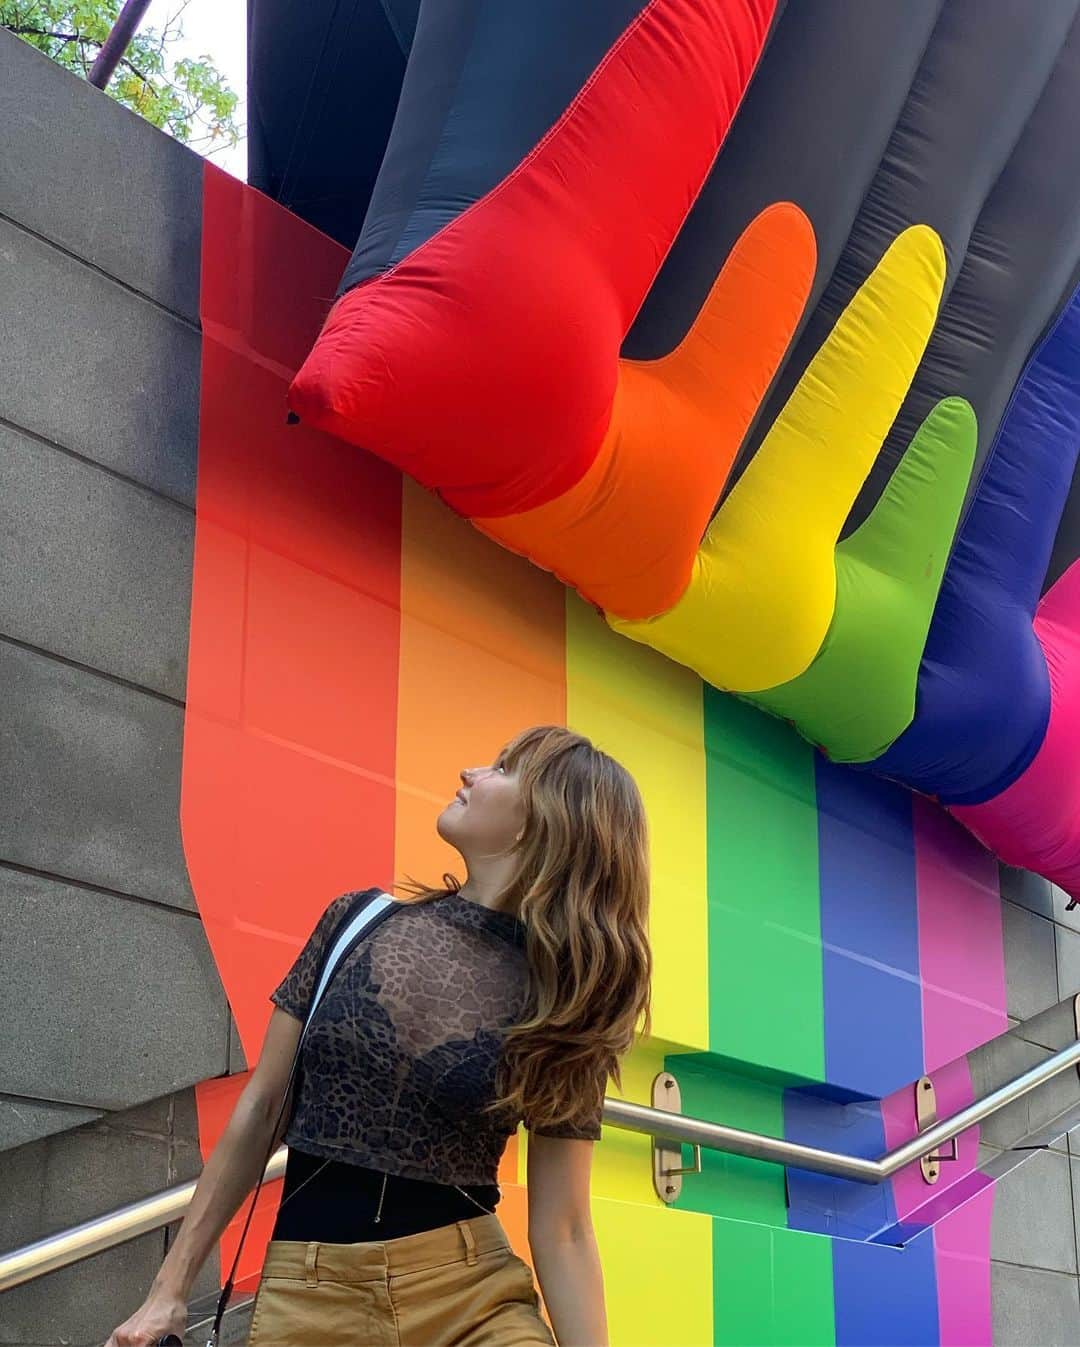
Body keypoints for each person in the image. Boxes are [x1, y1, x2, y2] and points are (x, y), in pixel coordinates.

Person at [105, 723, 652, 1346]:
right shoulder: (353, 923)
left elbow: (565, 1227)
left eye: (503, 767)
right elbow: (261, 1109)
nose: (471, 772)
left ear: (543, 821)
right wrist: (167, 1292)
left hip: (470, 1296)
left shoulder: (567, 997)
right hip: (310, 1296)